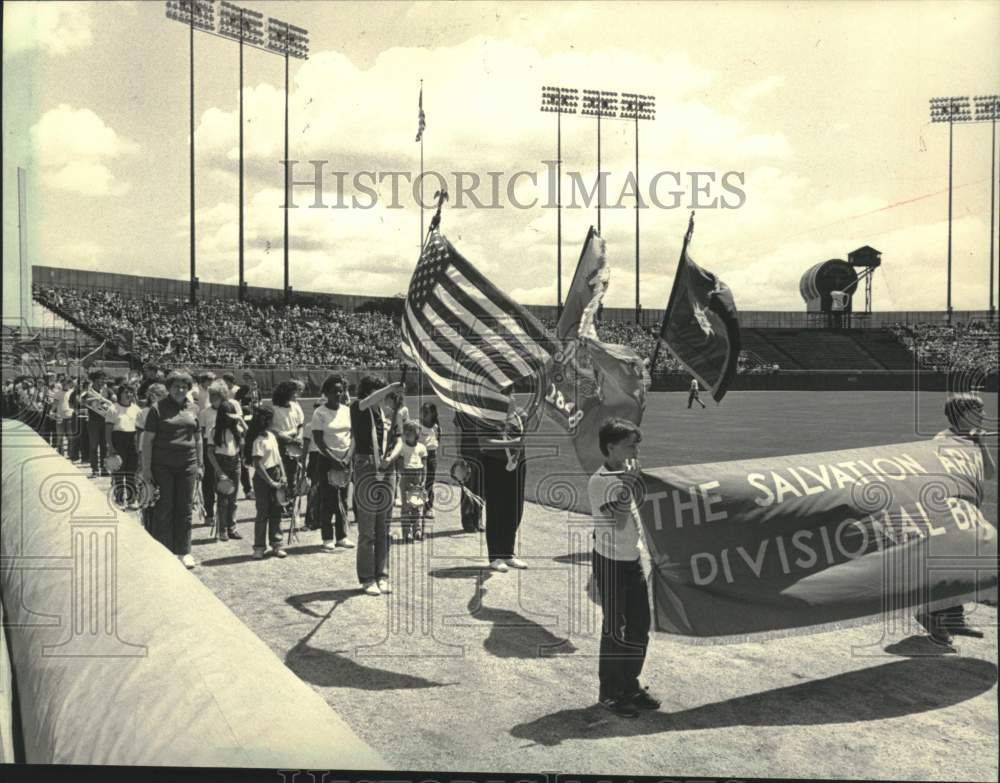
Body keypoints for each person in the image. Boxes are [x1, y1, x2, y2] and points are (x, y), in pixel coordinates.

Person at [588, 417, 659, 718]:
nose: (635, 449)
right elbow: (617, 523)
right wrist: (627, 485)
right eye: (630, 444)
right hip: (611, 562)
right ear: (611, 447)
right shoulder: (601, 481)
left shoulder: (626, 475)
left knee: (639, 626)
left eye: (637, 444)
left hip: (632, 560)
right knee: (615, 629)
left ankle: (630, 684)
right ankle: (610, 692)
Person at [917, 392, 996, 645]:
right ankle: (930, 613)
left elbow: (989, 473)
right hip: (948, 512)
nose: (984, 415)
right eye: (978, 411)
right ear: (963, 414)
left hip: (969, 508)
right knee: (951, 565)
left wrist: (980, 444)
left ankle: (953, 618)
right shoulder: (942, 440)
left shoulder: (972, 440)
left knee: (967, 563)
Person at [455, 395, 531, 571]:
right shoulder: (487, 418)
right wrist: (512, 442)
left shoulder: (521, 415)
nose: (508, 399)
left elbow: (523, 436)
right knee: (497, 507)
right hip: (494, 463)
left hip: (518, 463)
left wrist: (518, 444)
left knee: (515, 507)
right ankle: (495, 555)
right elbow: (484, 443)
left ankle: (508, 552)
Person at [141, 370, 203, 569]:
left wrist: (200, 464)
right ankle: (164, 552)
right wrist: (146, 470)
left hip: (188, 465)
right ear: (169, 388)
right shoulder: (157, 409)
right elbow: (148, 441)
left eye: (184, 386)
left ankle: (184, 551)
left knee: (184, 509)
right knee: (164, 509)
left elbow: (198, 438)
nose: (181, 389)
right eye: (176, 386)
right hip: (163, 467)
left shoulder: (194, 408)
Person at [350, 374, 400, 596]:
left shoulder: (386, 412)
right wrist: (390, 387)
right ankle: (367, 577)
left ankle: (382, 574)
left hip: (387, 468)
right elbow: (365, 402)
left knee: (384, 526)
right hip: (366, 466)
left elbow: (398, 438)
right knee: (367, 528)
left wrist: (392, 457)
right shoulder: (357, 407)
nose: (383, 397)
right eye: (378, 392)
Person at [309, 374, 354, 551]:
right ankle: (327, 537)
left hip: (345, 461)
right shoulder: (319, 413)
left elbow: (353, 436)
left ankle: (342, 536)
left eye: (340, 391)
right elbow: (319, 440)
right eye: (334, 391)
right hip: (327, 461)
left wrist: (348, 457)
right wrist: (334, 459)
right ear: (326, 392)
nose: (338, 394)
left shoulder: (346, 410)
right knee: (328, 500)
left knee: (343, 499)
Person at [245, 407, 287, 559]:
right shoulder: (258, 440)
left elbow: (278, 458)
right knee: (263, 513)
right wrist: (270, 482)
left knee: (276, 511)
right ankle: (259, 547)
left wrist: (283, 475)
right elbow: (257, 464)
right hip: (263, 479)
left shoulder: (271, 436)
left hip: (276, 473)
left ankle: (276, 545)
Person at [206, 398, 245, 542]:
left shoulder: (236, 429)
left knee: (233, 500)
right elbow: (210, 453)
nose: (230, 421)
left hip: (235, 463)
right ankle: (222, 530)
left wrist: (240, 421)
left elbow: (248, 434)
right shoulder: (214, 431)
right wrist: (219, 471)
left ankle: (232, 528)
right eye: (228, 418)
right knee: (223, 500)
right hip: (221, 464)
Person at [382, 420, 428, 542]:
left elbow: (424, 466)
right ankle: (407, 532)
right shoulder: (402, 447)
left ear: (417, 434)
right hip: (407, 475)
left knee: (417, 505)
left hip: (418, 475)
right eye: (406, 432)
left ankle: (417, 530)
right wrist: (407, 480)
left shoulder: (421, 448)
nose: (408, 434)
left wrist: (423, 481)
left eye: (411, 432)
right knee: (406, 506)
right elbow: (400, 466)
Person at [270, 380, 305, 515]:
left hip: (295, 441)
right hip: (281, 443)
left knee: (293, 475)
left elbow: (300, 424)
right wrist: (289, 439)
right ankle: (281, 502)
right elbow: (273, 430)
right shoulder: (275, 409)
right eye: (294, 392)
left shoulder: (295, 406)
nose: (296, 395)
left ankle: (291, 504)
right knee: (281, 474)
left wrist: (299, 436)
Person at [198, 379, 230, 528]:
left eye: (215, 396)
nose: (212, 399)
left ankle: (225, 518)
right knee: (209, 483)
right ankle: (209, 513)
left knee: (225, 483)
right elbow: (202, 434)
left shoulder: (232, 407)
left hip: (226, 449)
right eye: (210, 396)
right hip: (210, 448)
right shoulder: (205, 412)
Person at [136, 382, 168, 530]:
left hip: (163, 454)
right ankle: (148, 524)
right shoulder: (144, 412)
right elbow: (139, 437)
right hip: (147, 453)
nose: (162, 398)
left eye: (163, 395)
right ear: (151, 396)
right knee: (147, 489)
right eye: (159, 395)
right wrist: (141, 459)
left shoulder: (167, 411)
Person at [105, 383, 141, 509]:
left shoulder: (137, 409)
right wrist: (111, 447)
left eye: (131, 392)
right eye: (126, 392)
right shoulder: (113, 408)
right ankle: (119, 499)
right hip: (118, 440)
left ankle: (132, 499)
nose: (128, 395)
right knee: (119, 471)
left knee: (132, 471)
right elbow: (108, 430)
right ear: (120, 394)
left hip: (133, 440)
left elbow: (140, 428)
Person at [234, 371, 261, 500]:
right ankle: (248, 489)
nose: (250, 381)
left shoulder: (257, 391)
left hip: (254, 424)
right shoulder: (241, 390)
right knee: (244, 457)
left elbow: (259, 404)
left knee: (257, 455)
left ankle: (259, 487)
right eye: (247, 379)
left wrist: (257, 407)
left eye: (251, 379)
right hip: (244, 423)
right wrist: (244, 407)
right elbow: (236, 404)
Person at [418, 402, 440, 521]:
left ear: (433, 413)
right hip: (420, 456)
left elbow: (438, 440)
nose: (424, 414)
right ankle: (416, 507)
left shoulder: (436, 426)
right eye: (422, 411)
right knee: (418, 482)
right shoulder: (418, 426)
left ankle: (429, 507)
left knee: (430, 483)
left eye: (427, 412)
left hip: (432, 456)